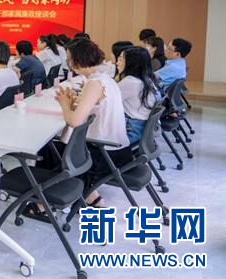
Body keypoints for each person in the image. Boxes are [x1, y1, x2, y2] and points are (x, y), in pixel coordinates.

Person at [53, 39, 132, 209]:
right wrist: (72, 103)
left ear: (78, 59)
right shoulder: (105, 79)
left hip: (104, 154)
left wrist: (64, 104)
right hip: (116, 149)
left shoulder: (95, 84)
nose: (68, 62)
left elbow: (74, 121)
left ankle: (46, 203)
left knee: (50, 150)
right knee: (56, 147)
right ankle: (91, 197)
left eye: (69, 58)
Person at [116, 47, 159, 145]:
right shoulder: (147, 79)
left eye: (121, 59)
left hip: (131, 131)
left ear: (131, 64)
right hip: (142, 129)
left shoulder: (130, 82)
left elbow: (106, 102)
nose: (117, 63)